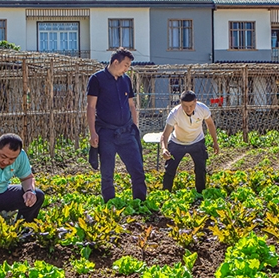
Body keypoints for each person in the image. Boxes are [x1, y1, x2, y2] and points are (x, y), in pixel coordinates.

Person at [87, 48, 147, 203]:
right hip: (106, 133)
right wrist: (93, 132)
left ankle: (140, 202)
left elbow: (132, 105)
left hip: (127, 132)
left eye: (128, 66)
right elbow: (91, 107)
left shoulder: (126, 80)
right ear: (115, 62)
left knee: (137, 169)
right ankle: (110, 204)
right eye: (125, 65)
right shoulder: (97, 79)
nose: (127, 68)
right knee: (107, 173)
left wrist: (135, 126)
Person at [160, 90, 220, 193]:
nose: (188, 109)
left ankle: (201, 194)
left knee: (200, 169)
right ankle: (165, 194)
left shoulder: (203, 109)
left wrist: (215, 142)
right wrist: (164, 149)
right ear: (181, 103)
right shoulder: (174, 113)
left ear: (196, 102)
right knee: (170, 169)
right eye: (185, 106)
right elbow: (165, 135)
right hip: (178, 142)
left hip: (197, 141)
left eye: (191, 106)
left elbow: (210, 124)